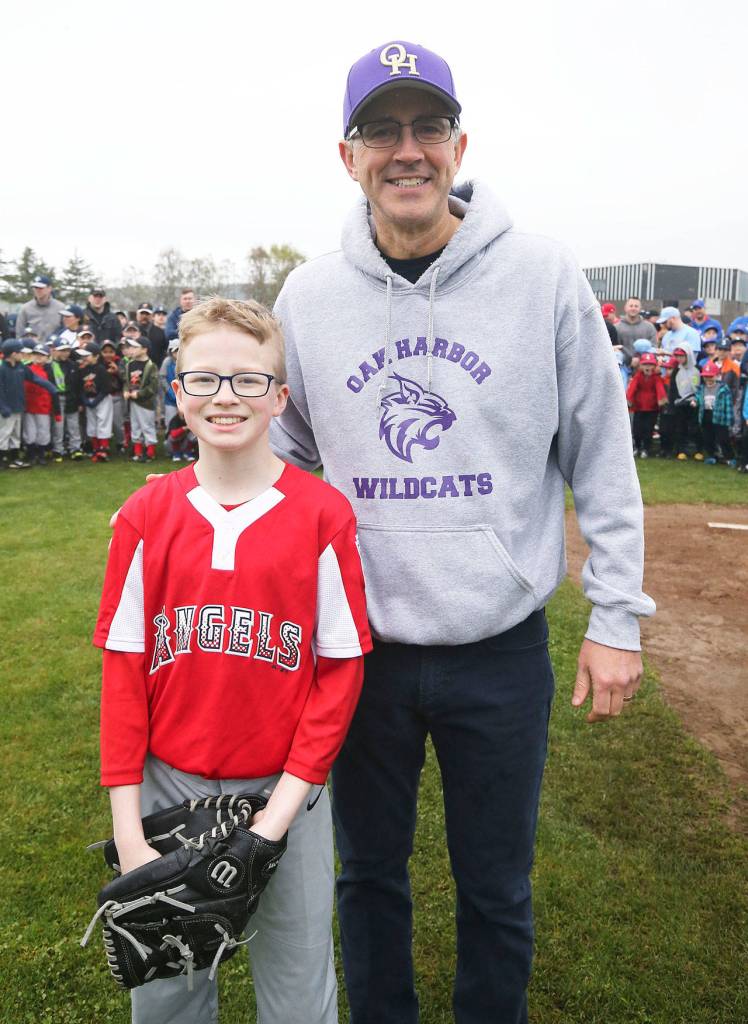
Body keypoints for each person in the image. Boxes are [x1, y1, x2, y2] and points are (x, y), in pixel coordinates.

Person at [269, 40, 654, 1024]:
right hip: (360, 651)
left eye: (427, 127)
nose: (407, 150)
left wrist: (617, 615)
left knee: (495, 884)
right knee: (368, 874)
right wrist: (197, 513)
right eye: (381, 131)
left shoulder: (542, 275)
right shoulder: (309, 297)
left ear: (459, 145)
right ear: (348, 156)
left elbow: (601, 453)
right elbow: (282, 453)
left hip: (499, 647)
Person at [94, 296, 371, 1024]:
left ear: (279, 398)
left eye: (249, 379)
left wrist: (273, 822)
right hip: (168, 787)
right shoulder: (144, 517)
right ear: (178, 393)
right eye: (204, 379)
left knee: (299, 987)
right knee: (169, 993)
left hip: (289, 792)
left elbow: (339, 676)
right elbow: (123, 679)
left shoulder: (322, 514)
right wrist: (129, 835)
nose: (225, 396)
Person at [0, 338, 57, 469]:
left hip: (18, 407)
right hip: (6, 409)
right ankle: (2, 459)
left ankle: (14, 458)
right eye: (20, 352)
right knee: (4, 433)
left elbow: (34, 378)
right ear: (13, 354)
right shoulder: (2, 370)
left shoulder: (21, 367)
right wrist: (3, 407)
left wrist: (50, 387)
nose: (23, 354)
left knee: (15, 434)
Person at [120, 333, 159, 462]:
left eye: (135, 347)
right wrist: (126, 391)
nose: (131, 350)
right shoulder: (129, 365)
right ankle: (138, 452)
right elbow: (126, 382)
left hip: (146, 403)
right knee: (135, 426)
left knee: (147, 426)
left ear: (144, 349)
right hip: (133, 402)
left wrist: (139, 393)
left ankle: (150, 452)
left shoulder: (151, 366)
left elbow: (153, 386)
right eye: (131, 347)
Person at [76, 339, 113, 462]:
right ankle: (96, 448)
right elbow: (80, 388)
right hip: (90, 399)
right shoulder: (83, 370)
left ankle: (104, 449)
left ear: (96, 356)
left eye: (87, 355)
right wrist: (85, 400)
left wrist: (96, 400)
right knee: (92, 424)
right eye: (83, 355)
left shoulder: (101, 369)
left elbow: (106, 388)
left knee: (103, 422)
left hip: (102, 399)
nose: (84, 358)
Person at [626, 351, 667, 458]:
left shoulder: (656, 377)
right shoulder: (638, 376)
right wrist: (628, 399)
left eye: (650, 364)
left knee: (648, 430)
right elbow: (632, 388)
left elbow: (659, 388)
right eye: (645, 364)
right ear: (641, 366)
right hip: (638, 407)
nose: (647, 367)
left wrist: (662, 400)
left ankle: (646, 448)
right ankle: (637, 447)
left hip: (652, 408)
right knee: (637, 429)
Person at [695, 361, 733, 464]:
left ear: (717, 376)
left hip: (719, 417)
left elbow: (728, 405)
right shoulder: (701, 388)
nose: (708, 379)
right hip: (705, 415)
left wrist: (729, 420)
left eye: (710, 376)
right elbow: (698, 397)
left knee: (723, 438)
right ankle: (711, 456)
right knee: (708, 438)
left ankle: (729, 457)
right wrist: (695, 401)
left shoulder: (723, 389)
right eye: (705, 377)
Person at [14, 275, 65, 343]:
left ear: (49, 288)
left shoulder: (61, 308)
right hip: (32, 348)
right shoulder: (25, 308)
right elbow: (19, 333)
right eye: (35, 288)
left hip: (53, 347)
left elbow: (65, 330)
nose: (37, 290)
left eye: (41, 288)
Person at [615, 296, 656, 364]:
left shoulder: (649, 327)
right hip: (623, 364)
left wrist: (641, 359)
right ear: (625, 308)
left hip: (644, 364)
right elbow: (615, 348)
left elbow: (653, 347)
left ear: (640, 309)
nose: (633, 308)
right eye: (631, 306)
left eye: (636, 306)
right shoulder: (617, 327)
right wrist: (629, 360)